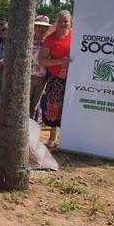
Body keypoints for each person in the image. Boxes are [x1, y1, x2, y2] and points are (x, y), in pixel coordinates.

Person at [38, 10, 72, 147]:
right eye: (60, 21)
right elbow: (42, 61)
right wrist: (60, 62)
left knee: (70, 106)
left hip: (74, 78)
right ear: (56, 22)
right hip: (56, 78)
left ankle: (68, 137)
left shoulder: (76, 35)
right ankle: (53, 136)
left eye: (66, 21)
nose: (63, 24)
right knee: (54, 107)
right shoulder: (50, 39)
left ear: (70, 23)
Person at [29, 15, 51, 117]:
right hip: (28, 77)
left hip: (42, 78)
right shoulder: (27, 41)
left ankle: (31, 125)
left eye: (44, 27)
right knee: (25, 103)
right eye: (39, 26)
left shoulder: (49, 42)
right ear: (34, 27)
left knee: (34, 105)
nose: (41, 29)